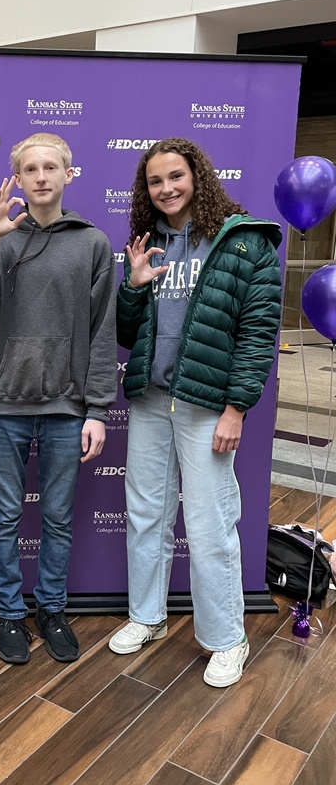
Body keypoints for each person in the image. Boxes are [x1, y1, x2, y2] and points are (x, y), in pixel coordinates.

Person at [109, 137, 282, 687]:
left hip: (208, 407)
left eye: (175, 177)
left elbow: (257, 336)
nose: (166, 189)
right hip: (152, 402)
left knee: (209, 527)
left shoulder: (242, 243)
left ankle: (226, 638)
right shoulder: (148, 243)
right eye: (155, 181)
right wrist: (133, 287)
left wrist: (236, 409)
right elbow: (124, 334)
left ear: (198, 176)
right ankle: (148, 616)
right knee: (146, 516)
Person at [0, 133, 117, 664]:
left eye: (51, 167)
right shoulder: (2, 239)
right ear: (18, 180)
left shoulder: (93, 243)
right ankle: (9, 612)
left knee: (58, 520)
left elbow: (100, 332)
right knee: (2, 518)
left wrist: (97, 410)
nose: (41, 176)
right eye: (31, 169)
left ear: (69, 175)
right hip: (5, 404)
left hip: (67, 408)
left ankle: (50, 608)